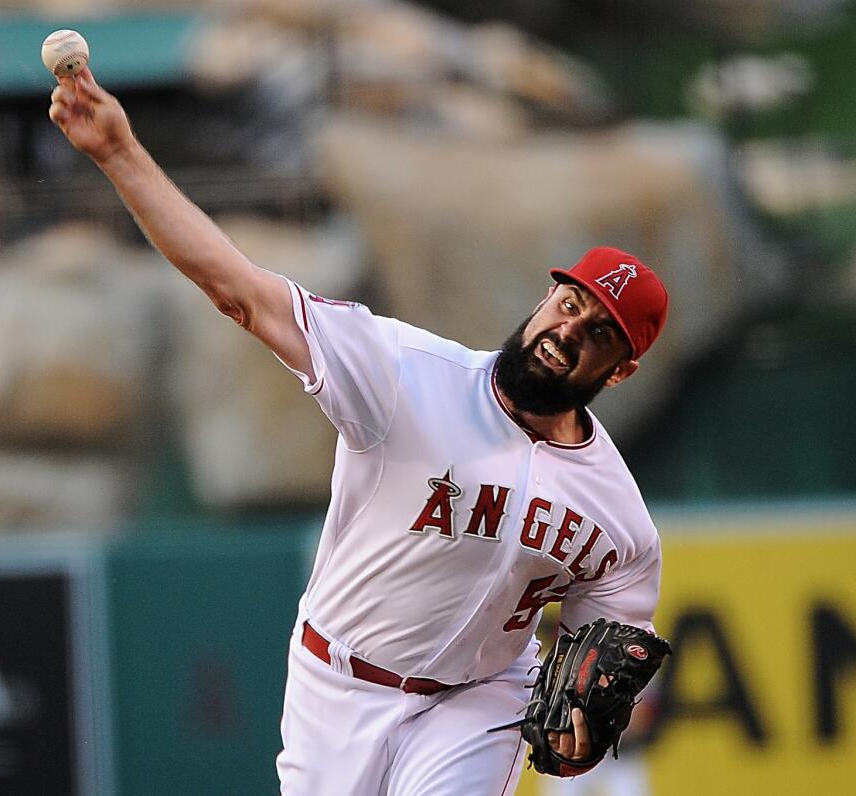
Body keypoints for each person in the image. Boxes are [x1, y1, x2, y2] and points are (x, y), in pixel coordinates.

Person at [49, 68, 669, 796]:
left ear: (620, 371)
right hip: (335, 682)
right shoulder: (404, 373)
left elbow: (595, 658)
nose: (569, 330)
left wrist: (584, 727)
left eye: (599, 333)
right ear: (545, 296)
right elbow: (240, 292)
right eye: (569, 303)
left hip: (476, 703)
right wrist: (119, 153)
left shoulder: (620, 523)